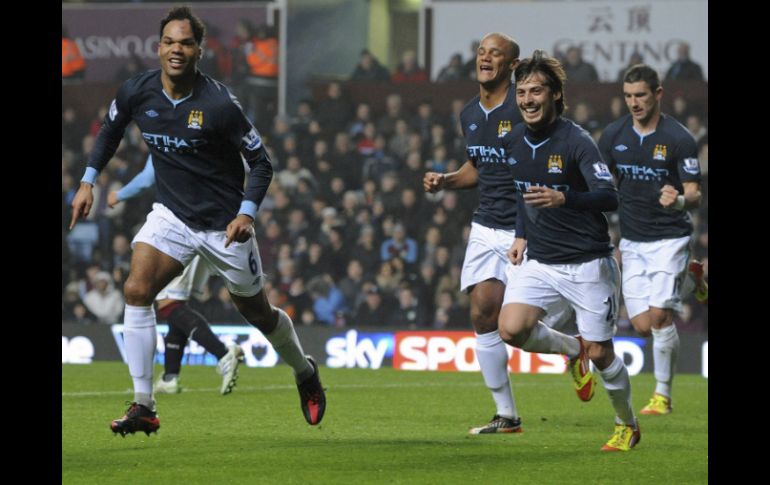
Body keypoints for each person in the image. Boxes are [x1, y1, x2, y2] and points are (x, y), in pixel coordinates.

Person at [69, 6, 325, 437]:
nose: (176, 49)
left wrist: (246, 214)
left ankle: (304, 371)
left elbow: (261, 164)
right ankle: (144, 405)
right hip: (172, 215)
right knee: (137, 289)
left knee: (257, 312)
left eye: (186, 43)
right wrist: (88, 180)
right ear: (158, 47)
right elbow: (110, 131)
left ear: (198, 51)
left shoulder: (219, 103)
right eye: (169, 42)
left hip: (224, 225)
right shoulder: (137, 92)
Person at [423, 33, 571, 436]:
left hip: (528, 227)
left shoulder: (523, 106)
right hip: (487, 223)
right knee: (482, 315)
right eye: (481, 52)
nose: (485, 58)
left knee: (517, 327)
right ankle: (506, 415)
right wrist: (447, 180)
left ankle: (575, 348)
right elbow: (479, 166)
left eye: (495, 54)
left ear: (510, 64)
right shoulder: (469, 113)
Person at [499, 49, 639, 452]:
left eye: (536, 90)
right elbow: (521, 191)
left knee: (602, 352)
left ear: (556, 95)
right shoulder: (513, 142)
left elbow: (609, 197)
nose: (527, 99)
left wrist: (566, 198)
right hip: (541, 260)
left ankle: (626, 424)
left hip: (588, 263)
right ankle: (571, 349)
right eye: (522, 91)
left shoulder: (576, 141)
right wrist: (521, 234)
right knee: (511, 327)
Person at [598, 64, 707, 417]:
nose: (634, 102)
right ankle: (694, 279)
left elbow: (695, 194)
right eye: (628, 96)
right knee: (643, 325)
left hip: (669, 238)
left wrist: (676, 200)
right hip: (632, 241)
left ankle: (663, 395)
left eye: (641, 95)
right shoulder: (613, 136)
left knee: (661, 317)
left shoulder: (678, 139)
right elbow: (601, 182)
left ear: (657, 94)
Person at [107, 155, 245, 396]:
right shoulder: (212, 137)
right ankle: (171, 376)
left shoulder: (168, 135)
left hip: (184, 229)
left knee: (167, 303)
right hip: (214, 225)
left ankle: (223, 354)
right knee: (175, 302)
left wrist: (119, 194)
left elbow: (146, 179)